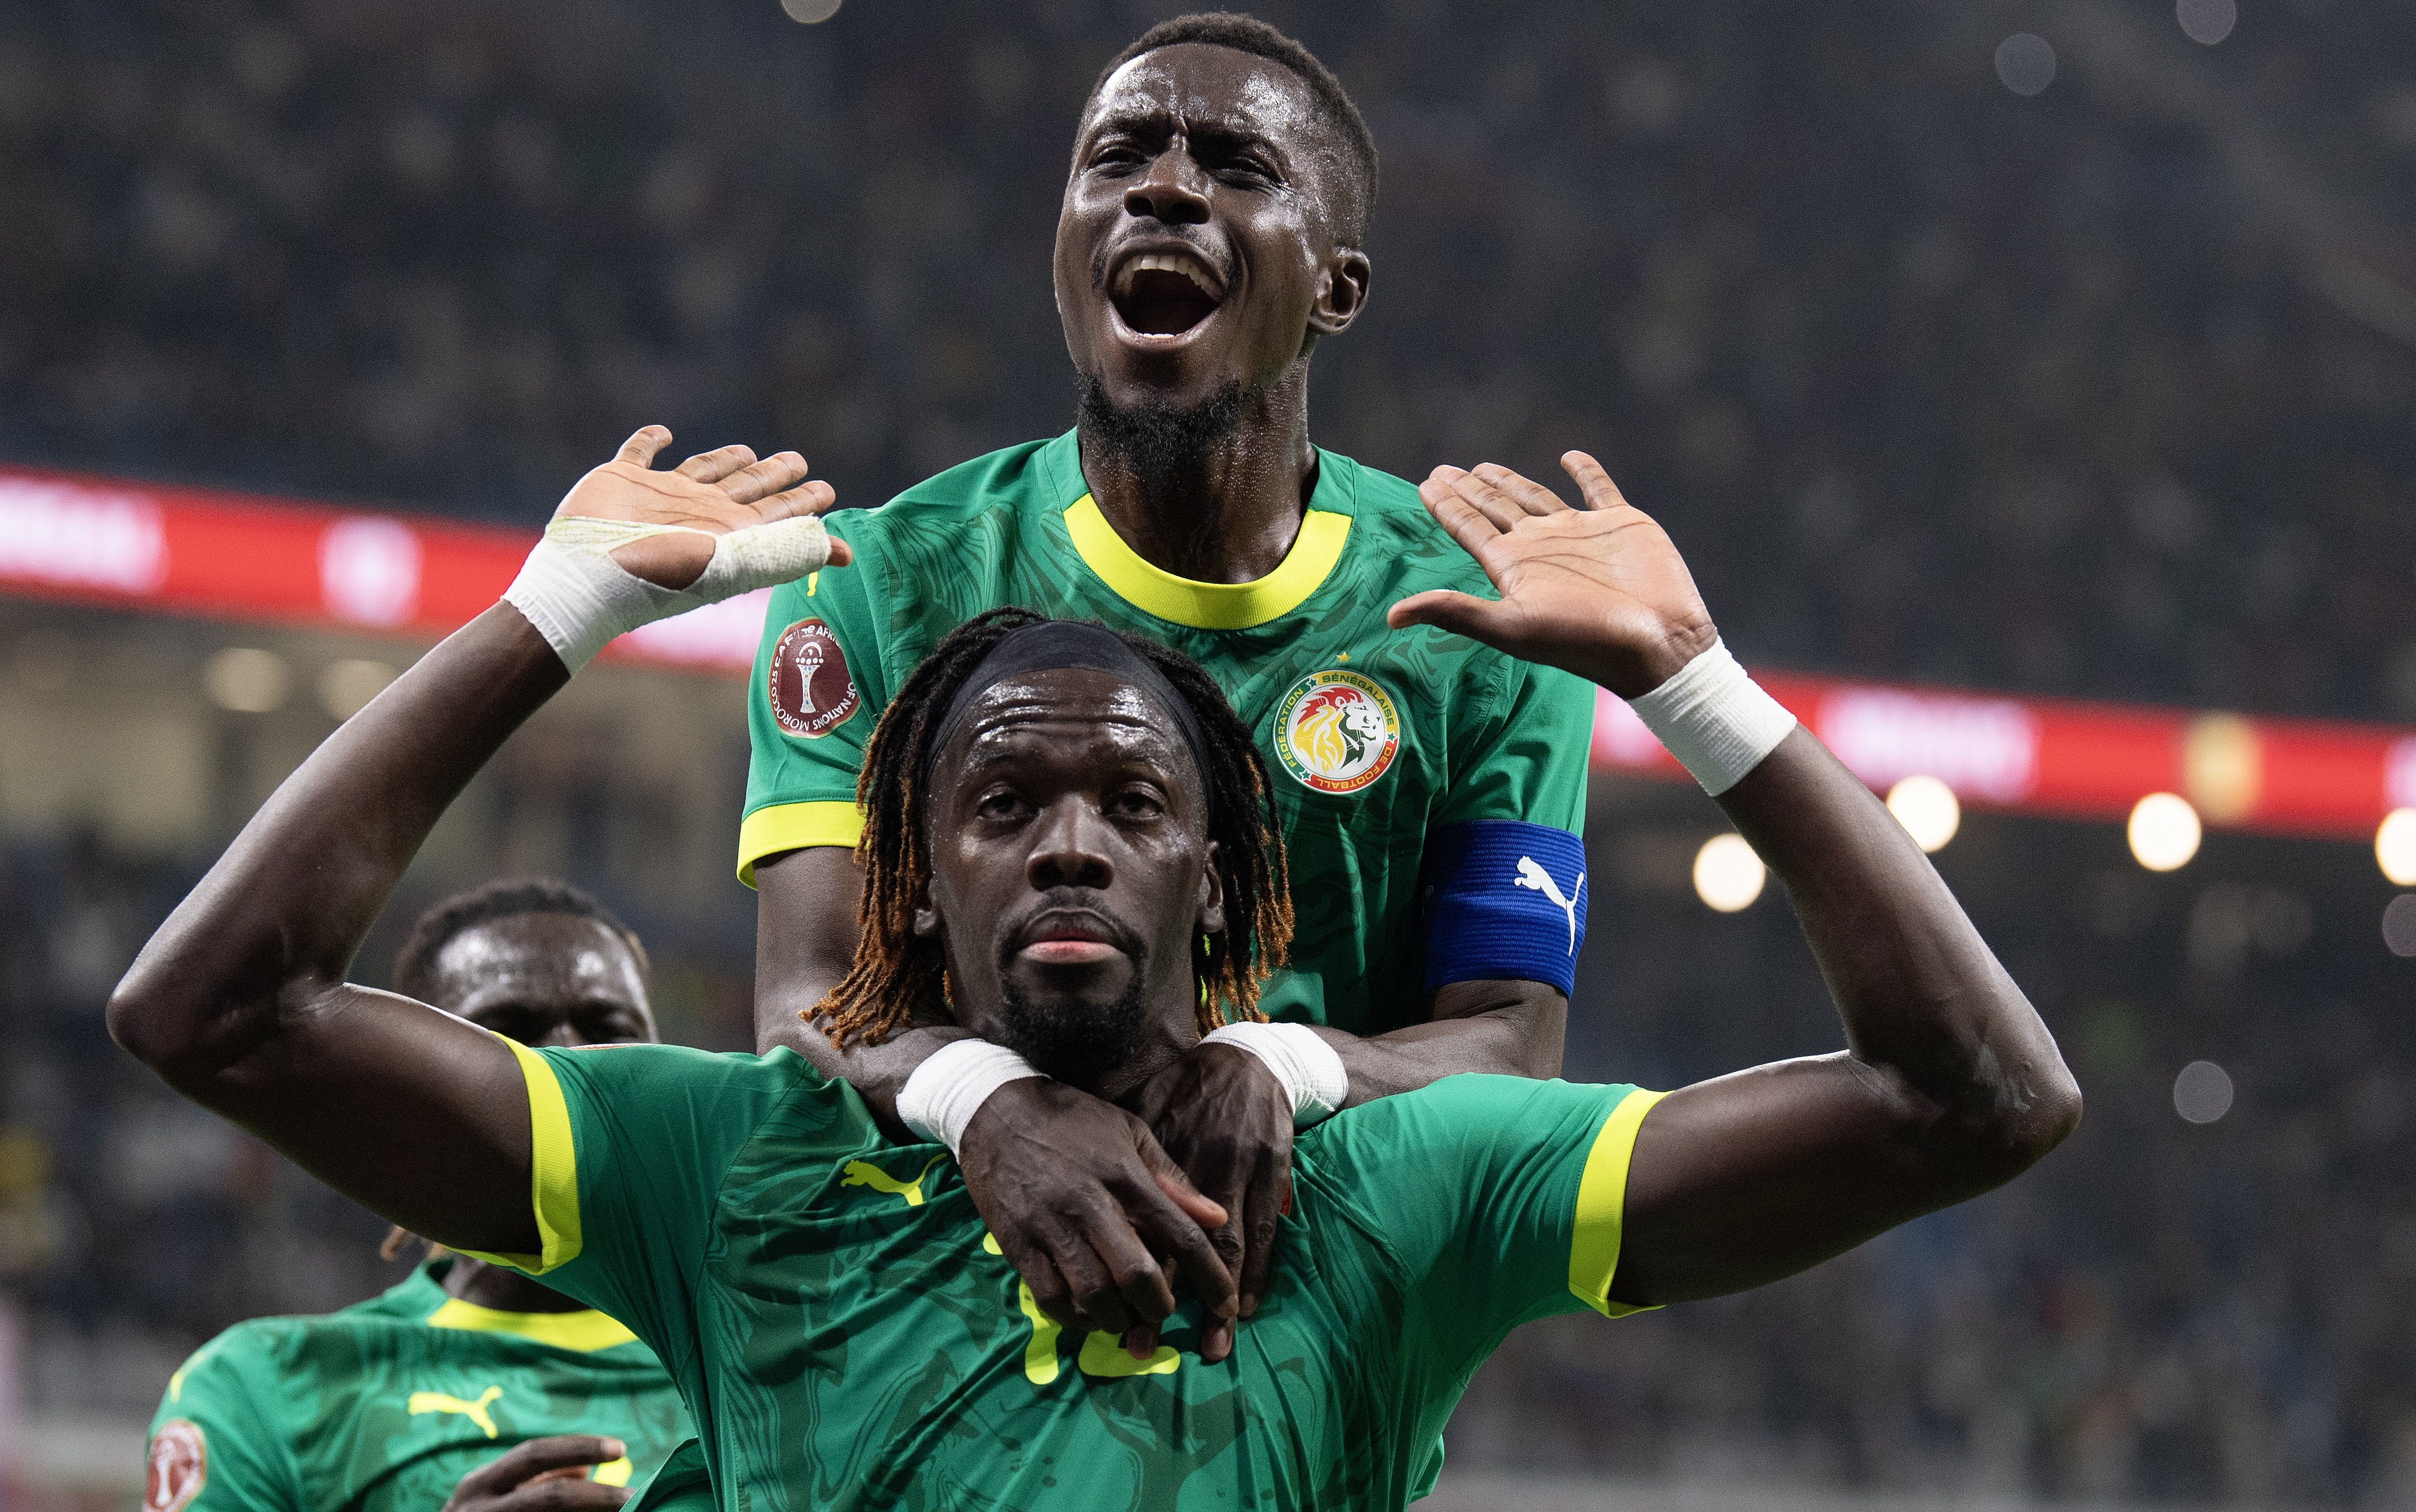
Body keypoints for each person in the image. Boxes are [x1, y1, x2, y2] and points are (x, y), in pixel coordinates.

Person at [108, 429, 2081, 1507]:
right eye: (999, 803)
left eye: (1132, 802)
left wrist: (1703, 692)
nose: (1066, 834)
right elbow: (213, 1010)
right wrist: (554, 611)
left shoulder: (1395, 1191)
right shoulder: (730, 1165)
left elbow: (1974, 1102)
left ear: (1224, 885)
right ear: (910, 883)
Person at [741, 14, 1599, 1333]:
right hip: (917, 1334)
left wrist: (1283, 1061)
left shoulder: (1476, 618)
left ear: (1335, 287)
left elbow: (1513, 1049)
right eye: (1118, 157)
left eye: (1234, 166)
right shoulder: (875, 580)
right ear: (1065, 251)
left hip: (1282, 1348)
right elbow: (805, 1013)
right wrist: (987, 1102)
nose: (1162, 186)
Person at [138, 881, 692, 1512]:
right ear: (412, 1092)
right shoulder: (269, 1392)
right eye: (507, 1032)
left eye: (608, 1029)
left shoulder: (771, 1366)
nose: (567, 1062)